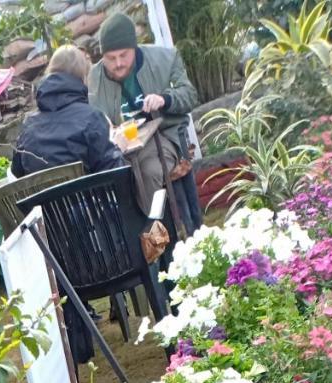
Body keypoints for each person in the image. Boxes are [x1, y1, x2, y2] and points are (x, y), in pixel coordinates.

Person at [88, 12, 202, 228]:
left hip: (163, 137)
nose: (118, 63)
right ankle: (139, 241)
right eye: (110, 58)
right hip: (120, 149)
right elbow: (92, 118)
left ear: (135, 48)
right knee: (120, 178)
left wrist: (164, 99)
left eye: (124, 55)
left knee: (149, 172)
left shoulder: (165, 59)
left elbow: (189, 95)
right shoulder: (94, 77)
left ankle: (156, 237)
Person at [11, 45, 126, 179]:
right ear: (83, 77)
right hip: (93, 198)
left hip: (45, 200)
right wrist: (118, 149)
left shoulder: (28, 126)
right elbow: (114, 173)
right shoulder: (91, 117)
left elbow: (17, 173)